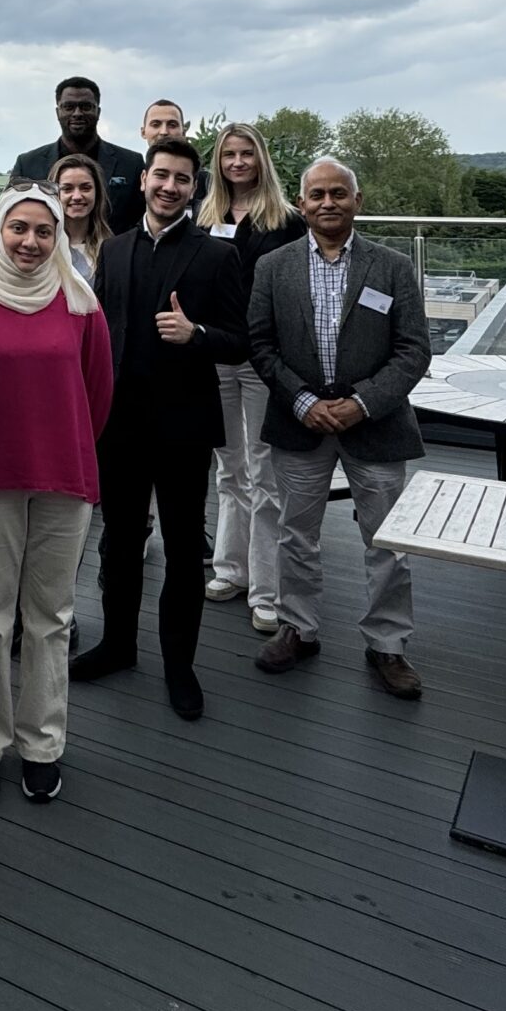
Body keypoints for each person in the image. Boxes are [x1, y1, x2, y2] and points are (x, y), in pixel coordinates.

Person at [70, 136, 247, 720]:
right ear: (143, 179)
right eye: (161, 175)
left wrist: (196, 335)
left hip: (182, 427)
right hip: (118, 425)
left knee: (178, 550)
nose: (170, 186)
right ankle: (118, 645)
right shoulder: (114, 251)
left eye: (182, 179)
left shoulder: (217, 256)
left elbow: (242, 339)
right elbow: (95, 333)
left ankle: (179, 665)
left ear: (195, 188)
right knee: (118, 544)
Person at [247, 157, 433, 699]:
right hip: (299, 419)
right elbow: (261, 345)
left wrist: (362, 403)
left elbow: (413, 349)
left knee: (387, 541)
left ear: (357, 201)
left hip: (373, 424)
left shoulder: (392, 266)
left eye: (338, 194)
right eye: (317, 195)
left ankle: (388, 644)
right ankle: (298, 627)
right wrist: (302, 400)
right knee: (296, 533)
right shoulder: (274, 267)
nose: (327, 203)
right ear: (300, 204)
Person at [0, 186, 112, 803]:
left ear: (58, 239)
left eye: (43, 232)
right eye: (18, 228)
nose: (30, 242)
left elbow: (97, 393)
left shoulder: (80, 303)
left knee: (51, 617)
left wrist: (61, 446)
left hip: (63, 479)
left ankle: (43, 740)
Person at [197, 124, 305, 635]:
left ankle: (267, 589)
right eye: (228, 155)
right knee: (227, 466)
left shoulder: (285, 221)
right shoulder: (206, 215)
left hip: (263, 357)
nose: (237, 163)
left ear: (261, 159)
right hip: (215, 353)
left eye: (246, 154)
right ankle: (229, 569)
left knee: (264, 473)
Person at [11, 76, 146, 231]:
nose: (77, 113)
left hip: (117, 252)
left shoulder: (131, 164)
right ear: (57, 112)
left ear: (98, 111)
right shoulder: (28, 165)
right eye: (69, 107)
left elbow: (143, 221)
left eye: (86, 106)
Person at [47, 152, 110, 283]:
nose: (77, 196)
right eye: (67, 189)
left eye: (85, 188)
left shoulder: (112, 249)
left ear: (97, 193)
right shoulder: (44, 247)